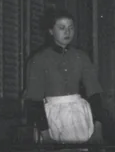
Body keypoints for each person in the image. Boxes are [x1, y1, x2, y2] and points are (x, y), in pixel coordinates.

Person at [24, 8, 104, 144]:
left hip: (80, 118)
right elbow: (33, 101)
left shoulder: (81, 57)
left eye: (71, 28)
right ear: (50, 31)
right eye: (62, 28)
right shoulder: (39, 59)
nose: (67, 32)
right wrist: (46, 136)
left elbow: (95, 94)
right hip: (50, 121)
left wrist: (98, 129)